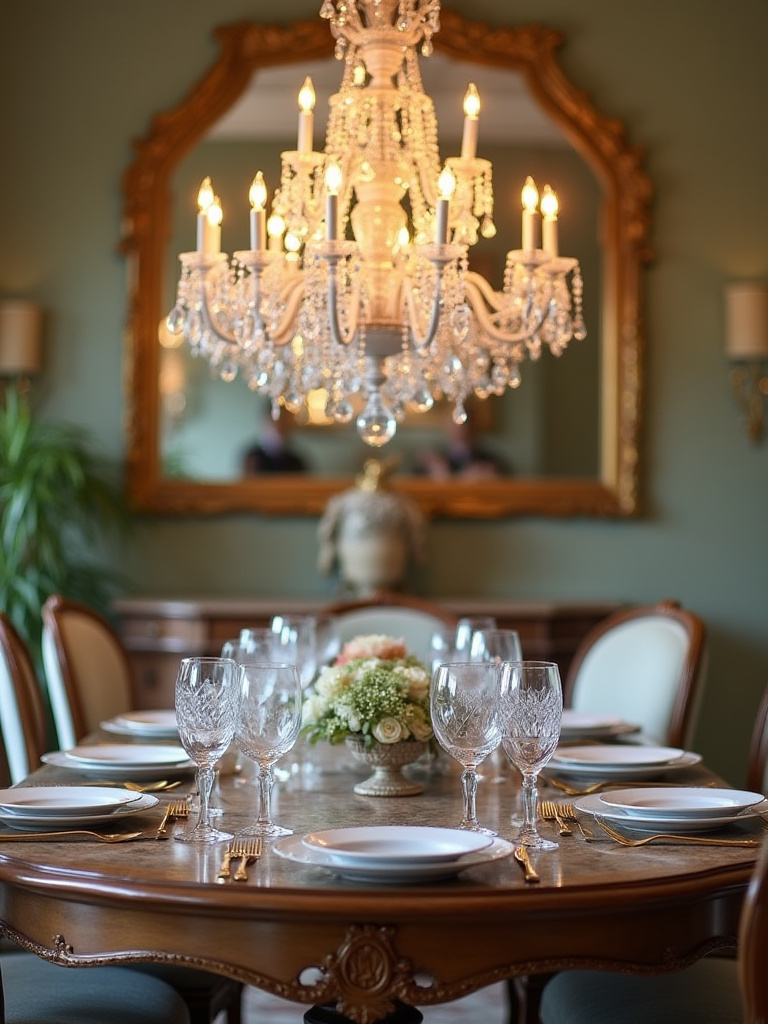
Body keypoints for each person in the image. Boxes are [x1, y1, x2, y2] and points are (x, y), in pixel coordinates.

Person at [242, 406, 307, 474]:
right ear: (266, 420)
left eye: (284, 421)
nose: (280, 425)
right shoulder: (253, 459)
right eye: (276, 420)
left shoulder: (296, 462)